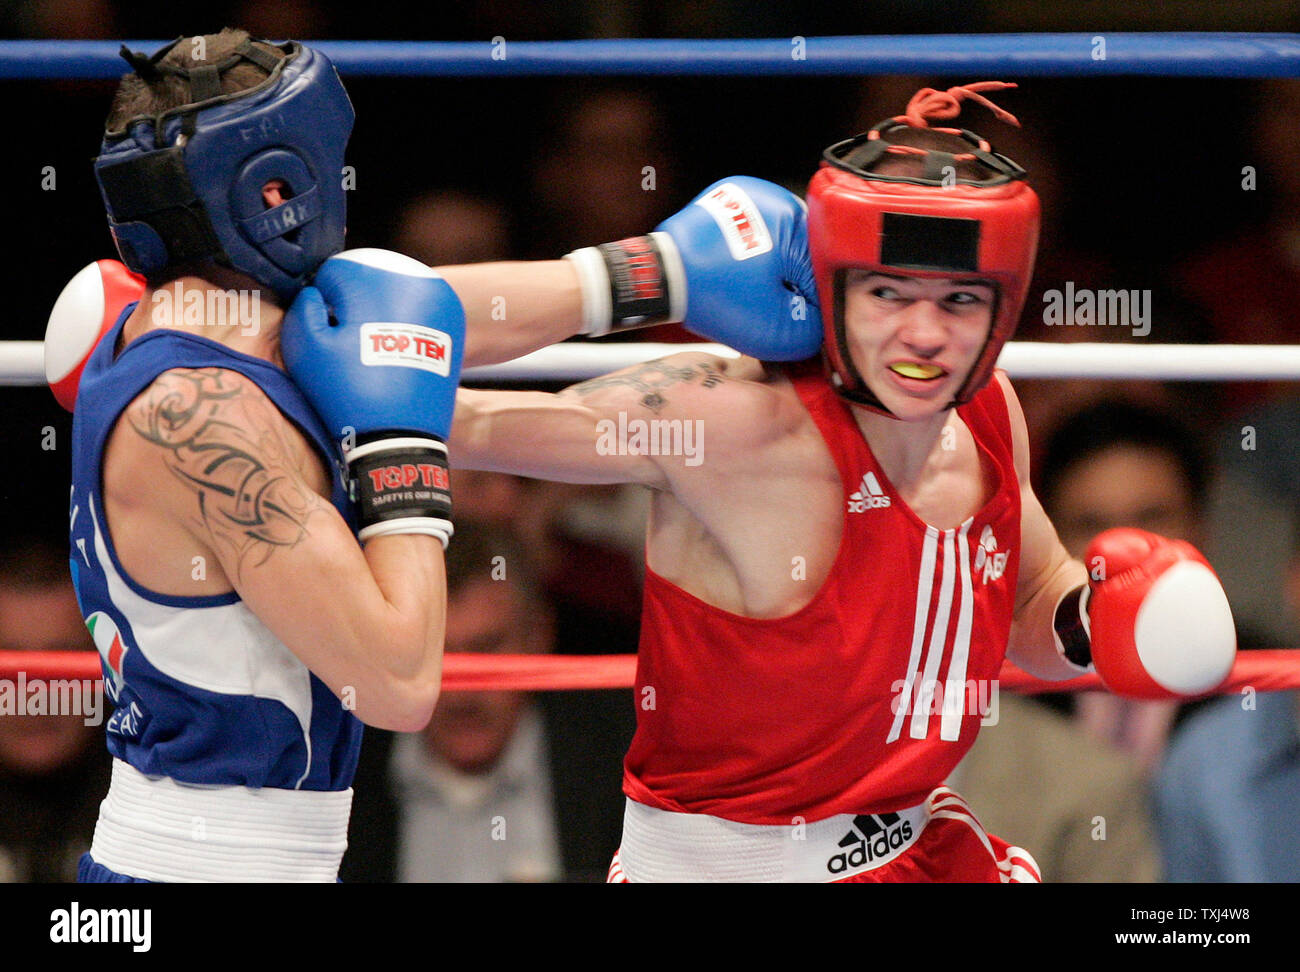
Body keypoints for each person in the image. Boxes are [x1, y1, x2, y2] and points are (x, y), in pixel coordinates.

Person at [58, 30, 832, 882]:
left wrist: (661, 272)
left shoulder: (198, 330)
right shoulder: (208, 419)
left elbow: (422, 312)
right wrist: (402, 446)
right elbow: (397, 679)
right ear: (275, 185)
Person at [450, 83, 1238, 882]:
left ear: (1002, 310)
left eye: (960, 300)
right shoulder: (732, 418)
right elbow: (437, 391)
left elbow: (1028, 597)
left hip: (912, 851)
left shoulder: (990, 410)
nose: (925, 335)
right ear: (830, 287)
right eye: (889, 293)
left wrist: (1100, 622)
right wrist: (645, 275)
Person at [343, 523, 635, 882]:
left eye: (487, 649)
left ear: (538, 637)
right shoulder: (344, 770)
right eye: (439, 657)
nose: (464, 692)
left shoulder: (622, 761)